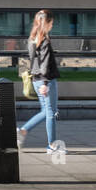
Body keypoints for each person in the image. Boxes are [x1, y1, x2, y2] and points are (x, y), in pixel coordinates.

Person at [18, 10, 60, 154]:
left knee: (46, 111)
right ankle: (52, 145)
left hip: (36, 80)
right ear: (45, 23)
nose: (52, 25)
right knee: (51, 113)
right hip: (45, 80)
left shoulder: (32, 39)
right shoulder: (45, 41)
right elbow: (45, 63)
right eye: (51, 23)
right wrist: (45, 83)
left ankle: (23, 131)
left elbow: (35, 61)